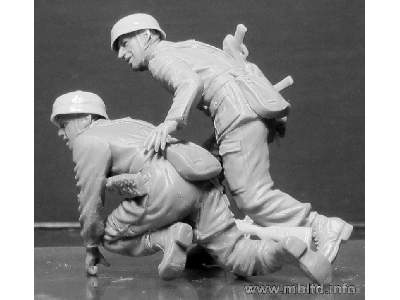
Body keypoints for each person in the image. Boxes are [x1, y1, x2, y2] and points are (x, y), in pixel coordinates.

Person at [110, 13, 353, 263]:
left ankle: (320, 226)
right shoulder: (188, 47)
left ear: (147, 36)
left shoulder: (159, 57)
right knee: (203, 178)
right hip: (246, 110)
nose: (121, 54)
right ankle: (217, 240)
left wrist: (169, 123)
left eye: (125, 43)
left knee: (251, 195)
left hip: (236, 116)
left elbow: (189, 83)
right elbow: (240, 67)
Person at [50, 90, 332, 283]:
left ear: (87, 118)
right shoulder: (130, 124)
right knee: (235, 252)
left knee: (110, 236)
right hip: (202, 181)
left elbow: (90, 197)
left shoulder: (87, 140)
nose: (61, 133)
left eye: (64, 124)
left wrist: (90, 242)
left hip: (161, 187)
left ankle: (168, 237)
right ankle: (283, 250)